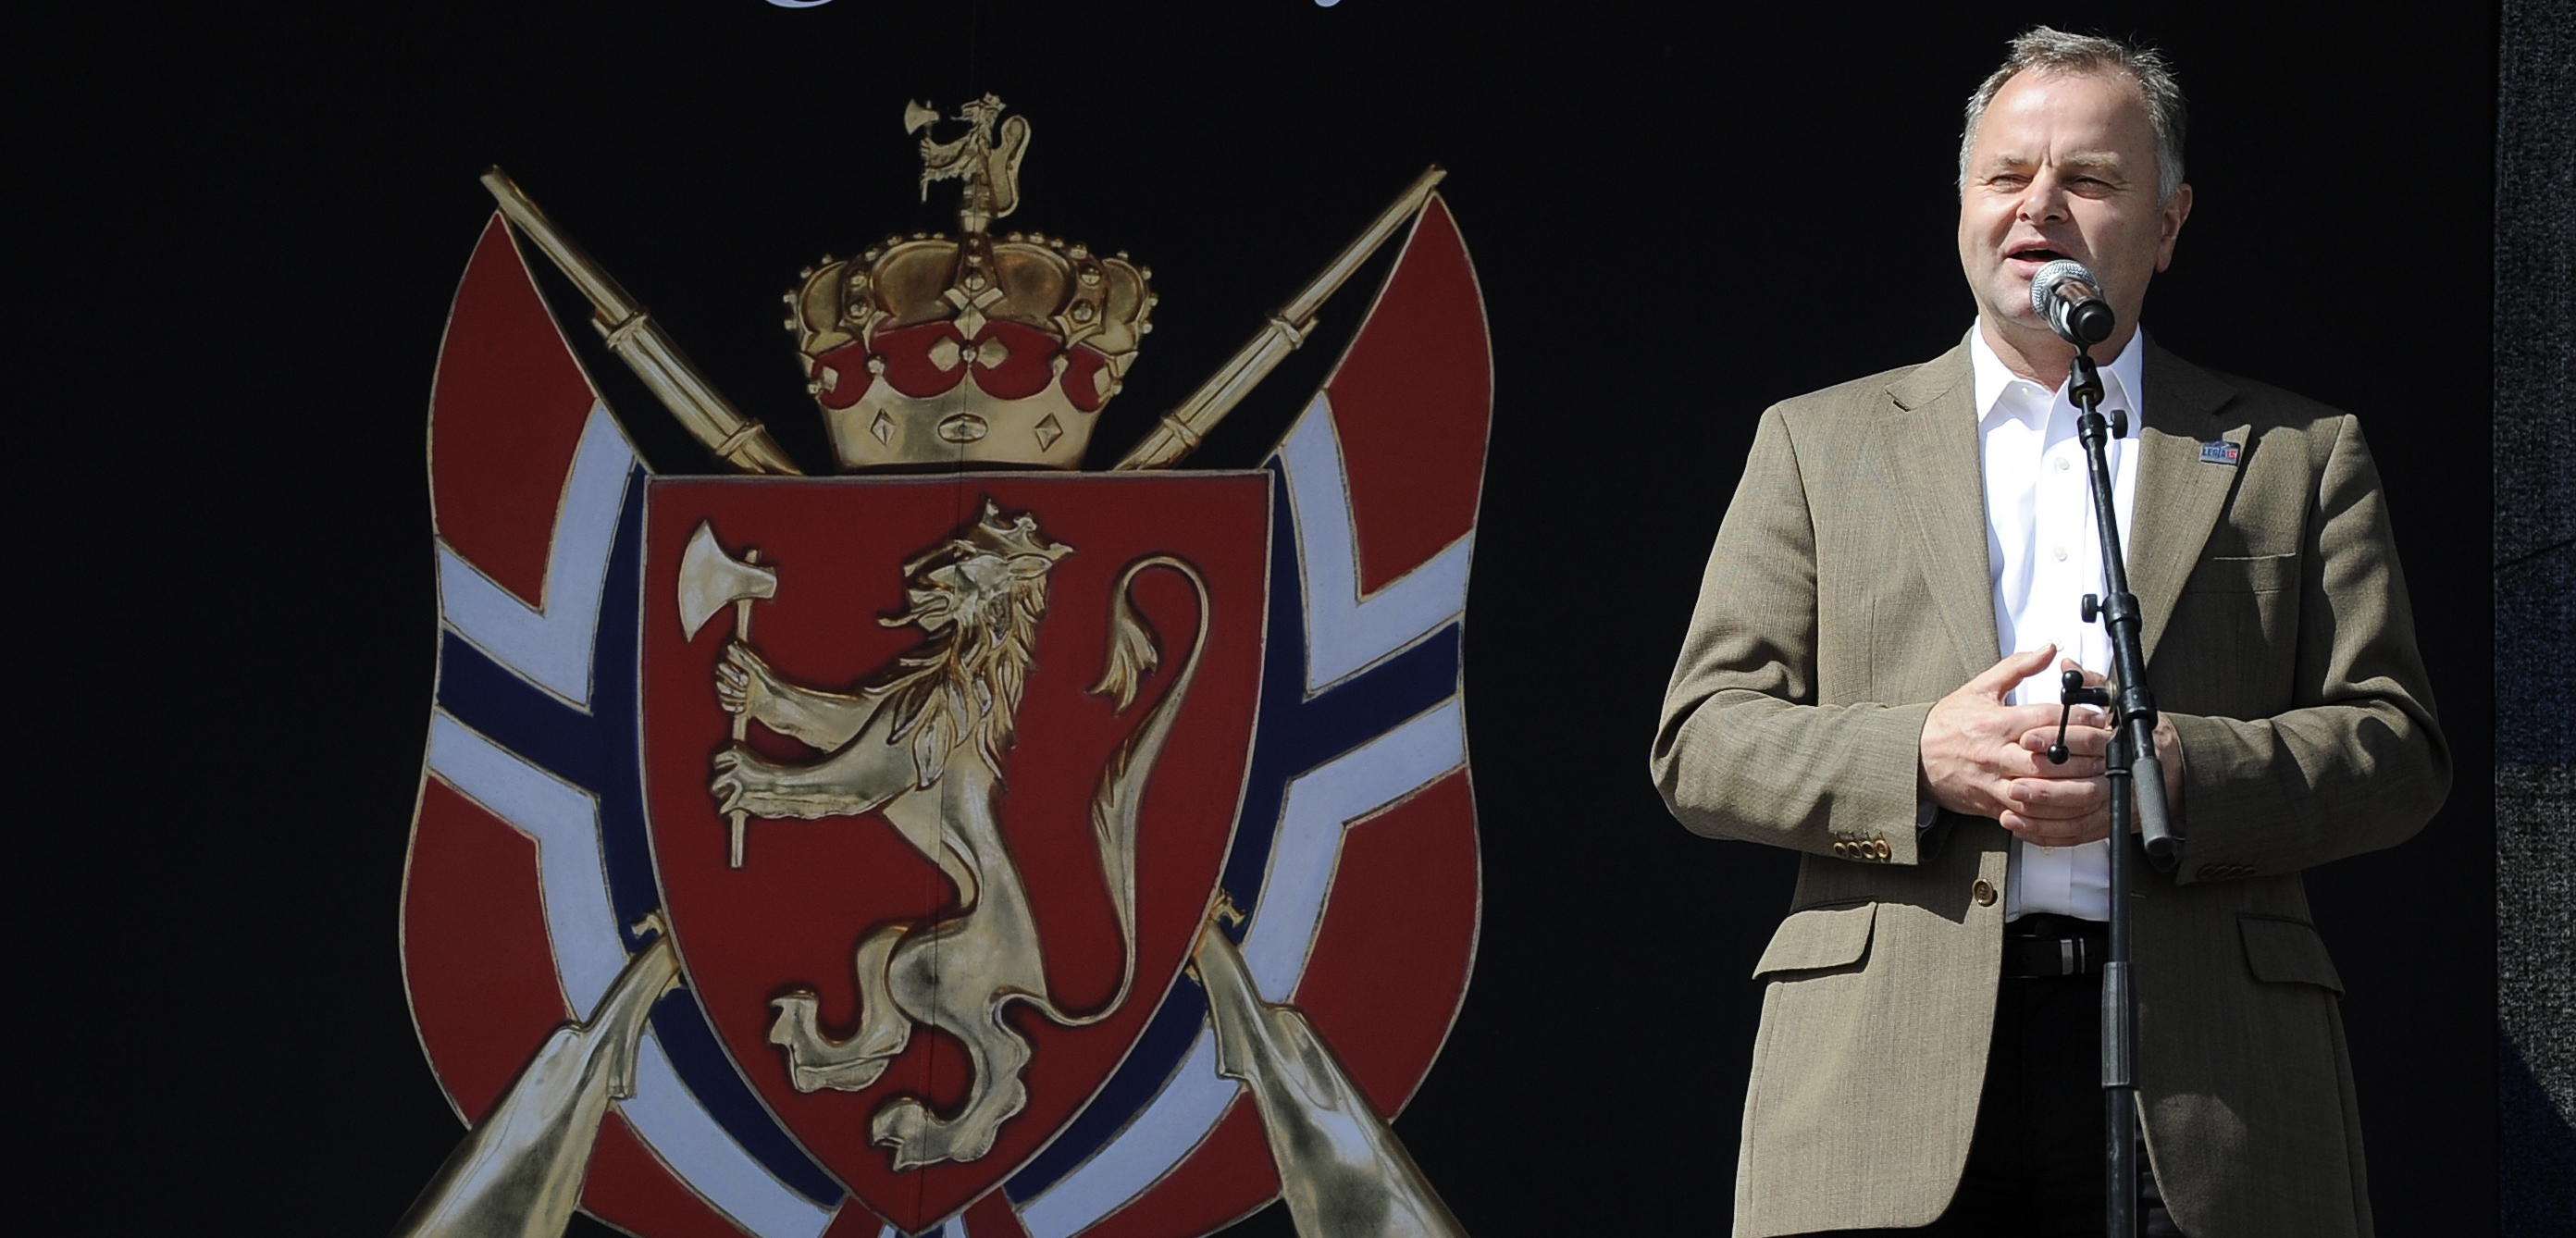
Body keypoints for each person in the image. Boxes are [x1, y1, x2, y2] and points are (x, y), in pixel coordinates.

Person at [1648, 27, 2447, 1238]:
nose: (2039, 207)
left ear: (2168, 223)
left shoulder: (2294, 452)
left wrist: (2178, 767)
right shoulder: (1820, 444)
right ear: (1963, 206)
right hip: (1886, 1077)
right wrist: (1921, 756)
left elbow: (2398, 748)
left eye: (2088, 178)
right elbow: (1702, 739)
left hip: (2210, 1084)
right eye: (2007, 176)